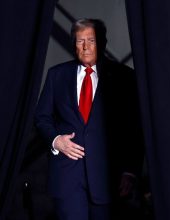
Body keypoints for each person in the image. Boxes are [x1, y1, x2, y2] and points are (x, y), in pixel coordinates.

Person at [35, 18, 144, 220]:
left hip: (109, 179)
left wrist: (130, 171)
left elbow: (134, 127)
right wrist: (55, 140)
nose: (85, 47)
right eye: (79, 41)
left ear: (102, 42)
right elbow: (42, 117)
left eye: (91, 40)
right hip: (67, 179)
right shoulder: (56, 75)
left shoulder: (124, 77)